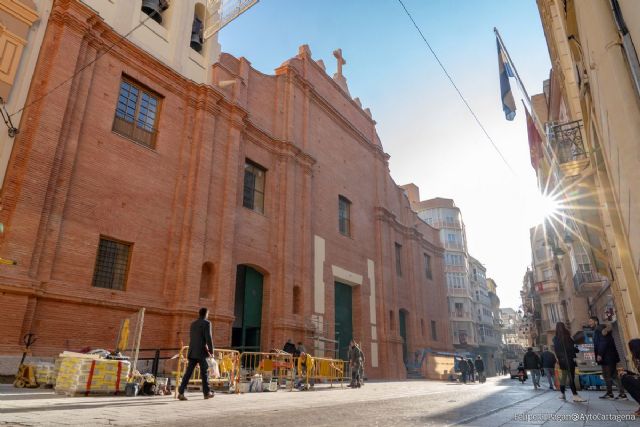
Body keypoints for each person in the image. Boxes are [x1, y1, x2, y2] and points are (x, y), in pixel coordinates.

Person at [178, 307, 214, 401]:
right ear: (206, 314)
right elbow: (208, 338)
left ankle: (181, 392)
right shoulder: (207, 323)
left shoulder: (193, 324)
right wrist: (211, 351)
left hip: (192, 351)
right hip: (202, 352)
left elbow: (193, 338)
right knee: (204, 373)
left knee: (188, 373)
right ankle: (206, 393)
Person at [590, 316, 627, 400]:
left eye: (591, 321)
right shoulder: (600, 330)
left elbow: (603, 342)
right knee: (611, 375)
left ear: (596, 322)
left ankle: (616, 393)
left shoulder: (599, 329)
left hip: (607, 357)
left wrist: (600, 354)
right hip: (608, 357)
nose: (590, 323)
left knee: (608, 375)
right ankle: (616, 393)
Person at [553, 322, 586, 402]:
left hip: (562, 361)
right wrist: (576, 350)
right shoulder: (568, 337)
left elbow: (556, 351)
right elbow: (572, 348)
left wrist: (558, 359)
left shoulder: (555, 339)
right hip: (569, 360)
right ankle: (575, 395)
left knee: (563, 377)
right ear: (564, 327)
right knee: (571, 377)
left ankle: (562, 394)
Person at [620, 339, 640, 416]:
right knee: (625, 377)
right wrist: (628, 372)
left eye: (631, 348)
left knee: (626, 379)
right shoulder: (637, 359)